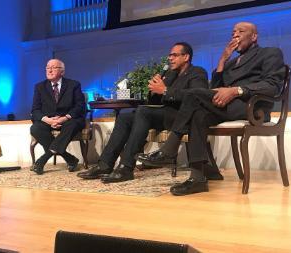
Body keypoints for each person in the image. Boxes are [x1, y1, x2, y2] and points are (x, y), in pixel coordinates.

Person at [136, 22, 285, 195]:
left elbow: (272, 85)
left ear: (254, 36)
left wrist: (236, 90)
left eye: (241, 31)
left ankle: (169, 150)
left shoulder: (270, 53)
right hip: (227, 106)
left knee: (192, 94)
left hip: (252, 107)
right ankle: (198, 178)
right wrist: (222, 60)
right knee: (198, 114)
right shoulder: (231, 62)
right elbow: (213, 88)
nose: (235, 35)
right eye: (233, 32)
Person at [78, 42, 212, 183]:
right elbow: (157, 101)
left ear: (186, 57)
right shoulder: (171, 74)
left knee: (143, 111)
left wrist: (165, 90)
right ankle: (104, 164)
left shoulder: (197, 72)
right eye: (169, 55)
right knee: (125, 116)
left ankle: (126, 167)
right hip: (164, 114)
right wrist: (154, 90)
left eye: (174, 55)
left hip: (182, 117)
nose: (170, 58)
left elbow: (197, 96)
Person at [30, 59, 86, 175]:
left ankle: (43, 159)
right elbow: (35, 110)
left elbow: (80, 106)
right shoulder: (39, 87)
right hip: (48, 120)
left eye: (54, 67)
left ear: (62, 71)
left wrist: (64, 118)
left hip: (68, 119)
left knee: (73, 124)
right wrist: (48, 120)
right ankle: (70, 159)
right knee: (35, 128)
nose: (49, 70)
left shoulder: (74, 85)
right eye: (47, 67)